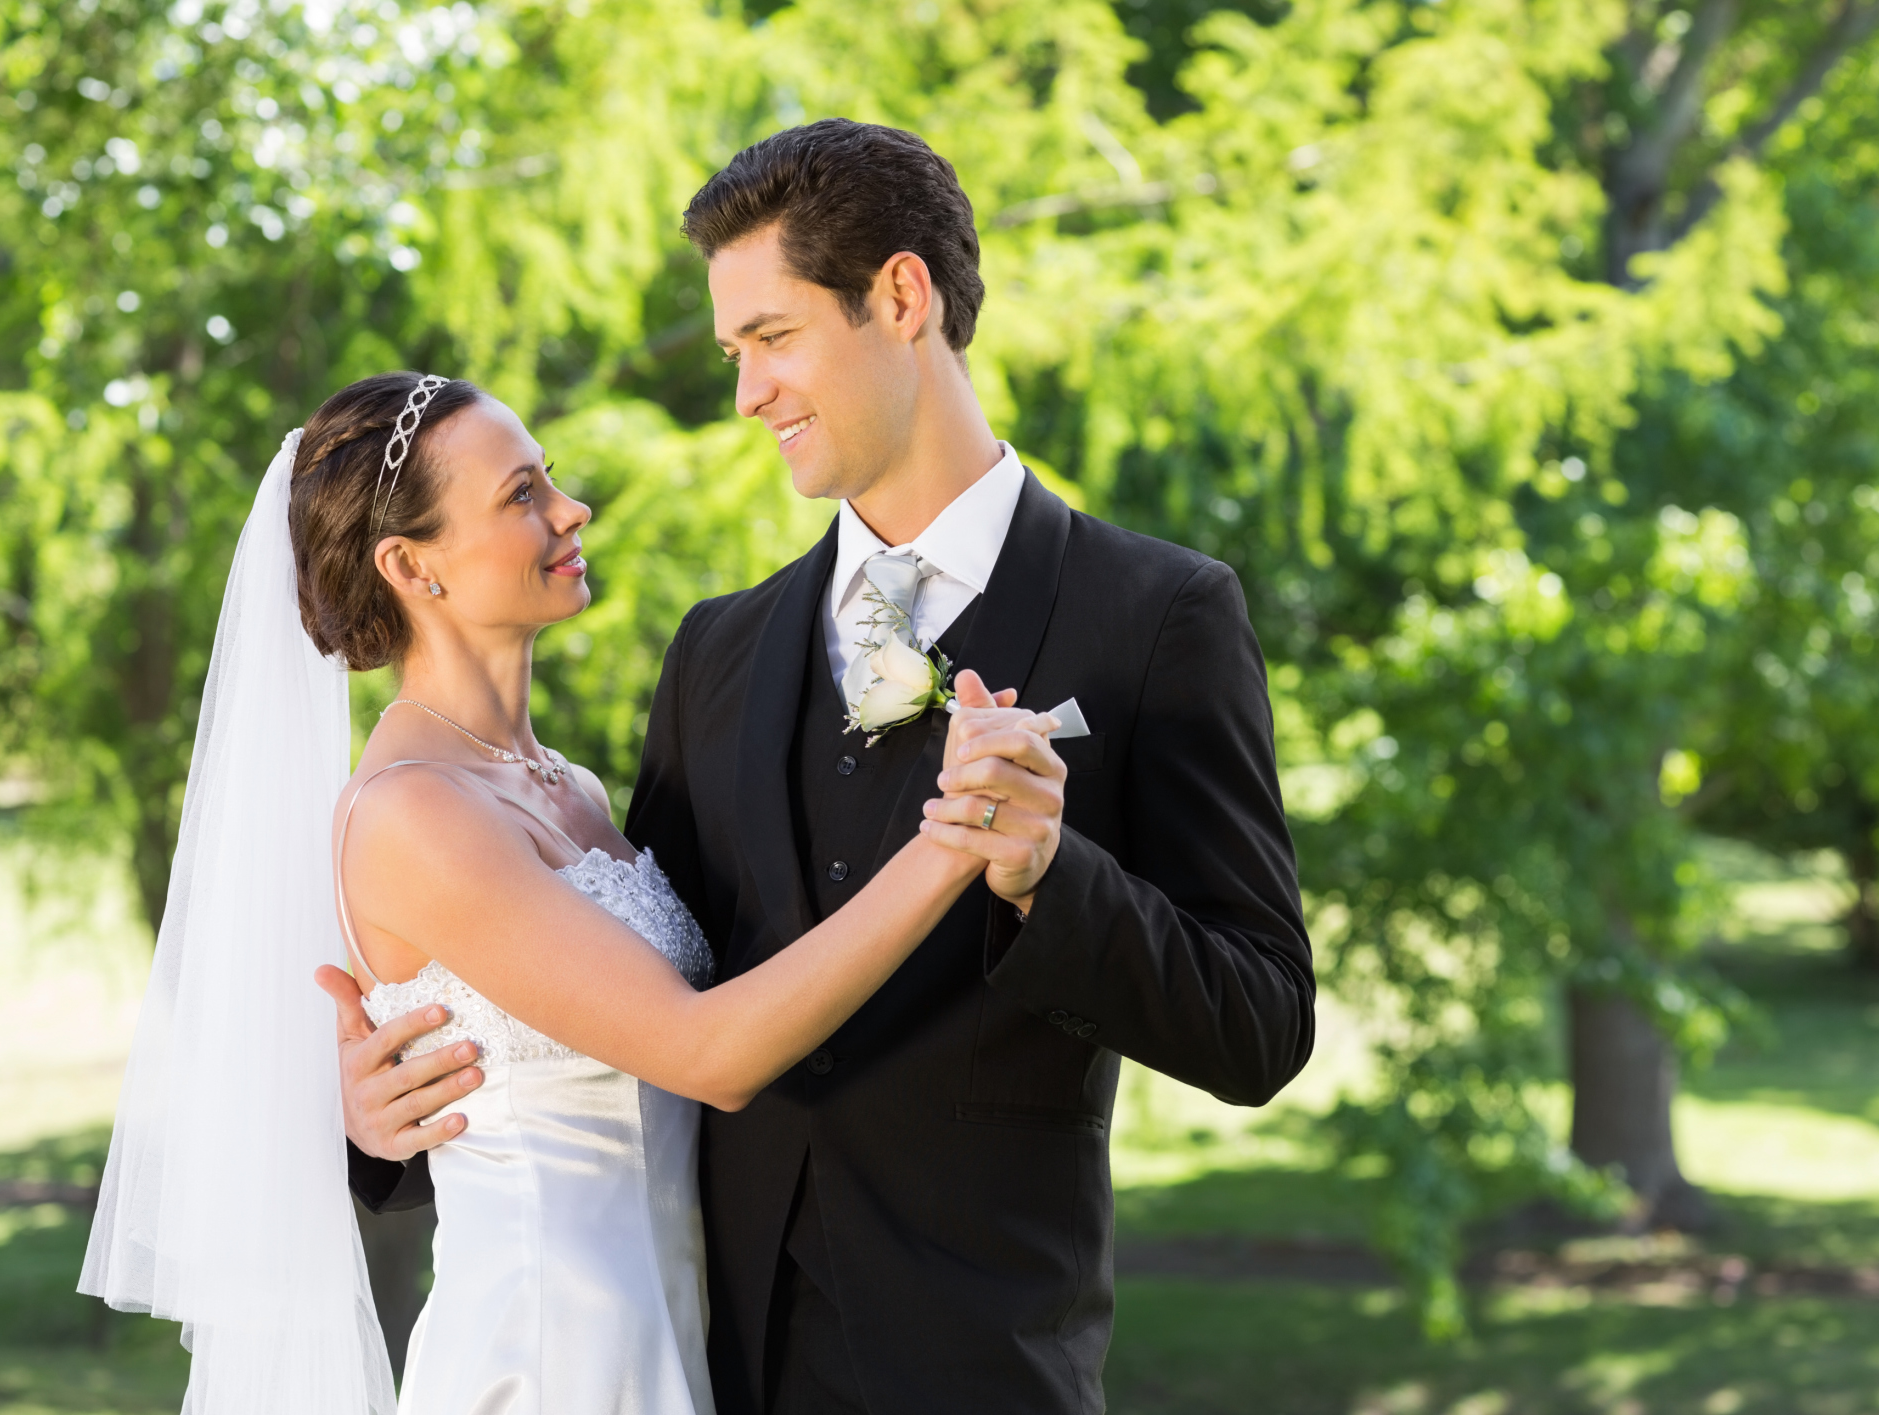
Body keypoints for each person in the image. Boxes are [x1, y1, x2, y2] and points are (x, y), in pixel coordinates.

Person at [337, 120, 1316, 1414]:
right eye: (735, 350)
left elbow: (1257, 1021)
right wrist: (383, 1127)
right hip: (694, 1358)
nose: (747, 393)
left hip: (979, 1369)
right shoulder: (717, 651)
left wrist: (1045, 876)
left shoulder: (1153, 615)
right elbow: (628, 995)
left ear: (900, 298)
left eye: (772, 338)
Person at [82, 368, 1058, 1415]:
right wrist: (952, 841)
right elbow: (706, 1051)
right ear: (411, 564)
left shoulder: (574, 788)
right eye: (519, 494)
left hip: (677, 1331)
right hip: (550, 1355)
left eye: (549, 477)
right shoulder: (413, 810)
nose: (569, 507)